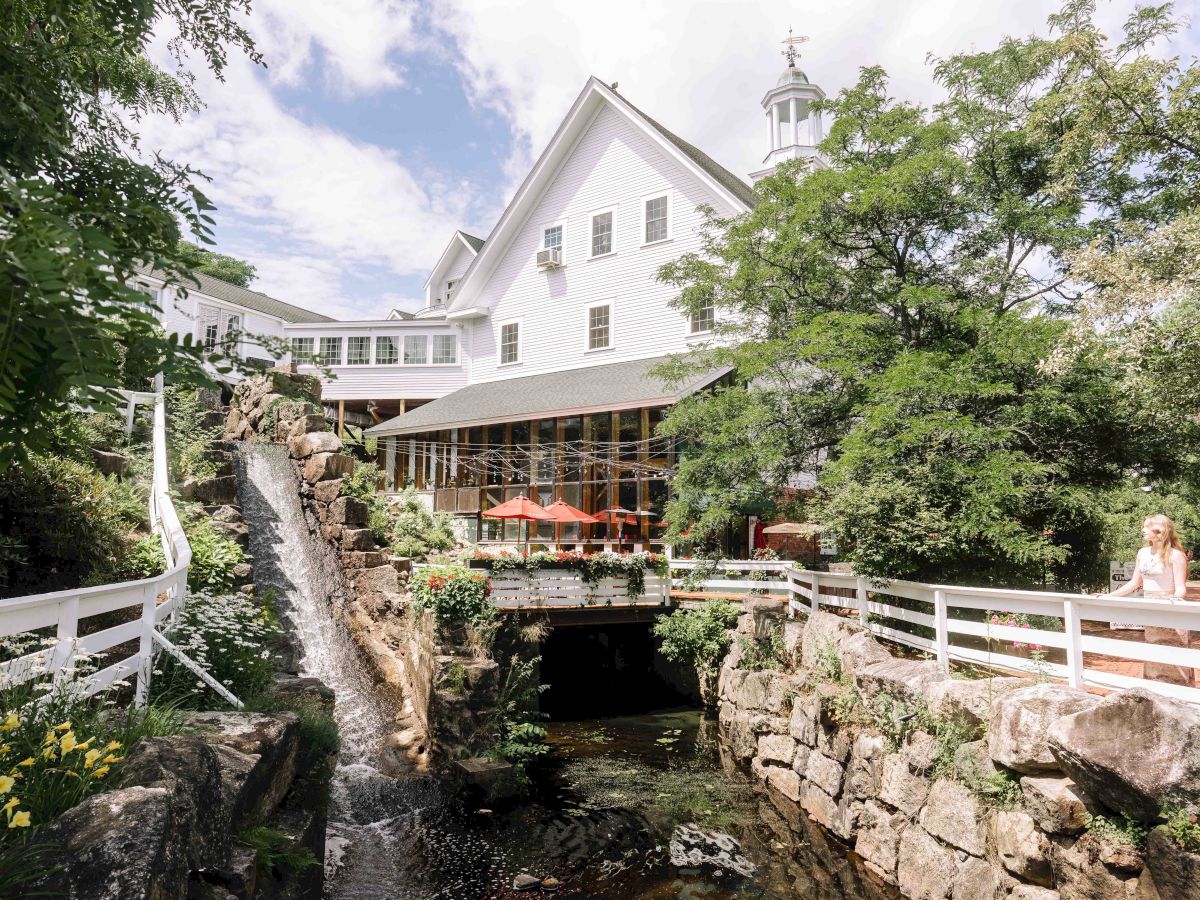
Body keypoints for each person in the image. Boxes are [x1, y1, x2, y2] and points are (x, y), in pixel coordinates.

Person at [1108, 514, 1192, 684]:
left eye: (1146, 527)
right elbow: (1133, 583)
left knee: (1175, 654)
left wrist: (1176, 600)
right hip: (1150, 609)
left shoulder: (1176, 555)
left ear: (1159, 530)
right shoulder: (1142, 553)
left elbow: (1181, 587)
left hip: (1170, 609)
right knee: (1153, 653)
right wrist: (1107, 596)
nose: (1142, 530)